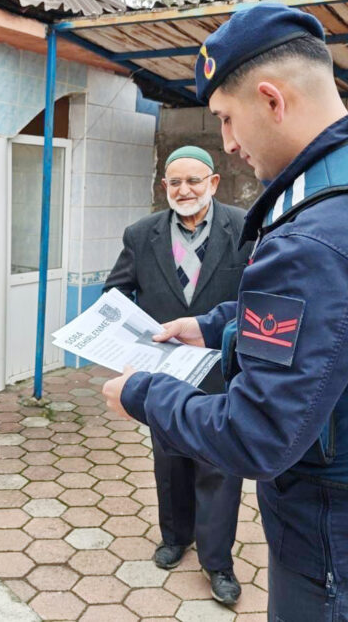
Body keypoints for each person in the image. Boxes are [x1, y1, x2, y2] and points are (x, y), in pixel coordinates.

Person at [101, 3, 348, 620]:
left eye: (226, 118)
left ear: (272, 100)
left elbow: (257, 435)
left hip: (347, 536)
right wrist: (212, 326)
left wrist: (142, 394)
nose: (227, 142)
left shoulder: (322, 233)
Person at [104, 145, 252, 605]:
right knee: (169, 461)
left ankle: (218, 561)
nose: (183, 190)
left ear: (213, 183)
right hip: (163, 371)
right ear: (163, 186)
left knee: (219, 467)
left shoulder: (246, 229)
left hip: (220, 373)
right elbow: (116, 293)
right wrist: (124, 334)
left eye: (193, 180)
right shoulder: (141, 234)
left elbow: (258, 297)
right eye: (174, 182)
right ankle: (175, 537)